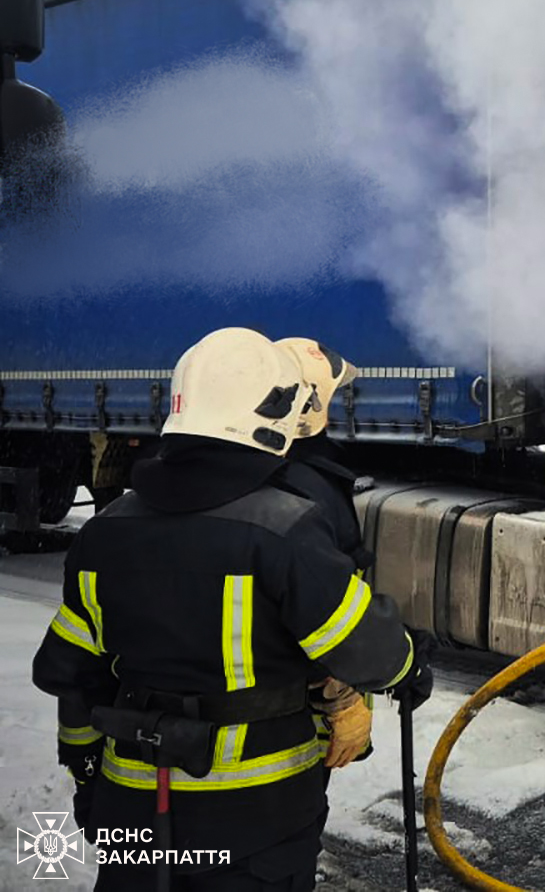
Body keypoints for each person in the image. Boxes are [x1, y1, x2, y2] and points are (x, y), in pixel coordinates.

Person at [32, 327, 432, 891]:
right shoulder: (286, 530)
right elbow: (369, 651)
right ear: (272, 418)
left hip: (134, 805)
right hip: (256, 821)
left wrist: (86, 774)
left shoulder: (104, 533)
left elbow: (73, 676)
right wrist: (411, 663)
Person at [273, 337, 375, 770]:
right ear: (314, 401)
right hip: (297, 722)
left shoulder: (276, 472)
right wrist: (340, 696)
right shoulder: (307, 485)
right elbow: (315, 602)